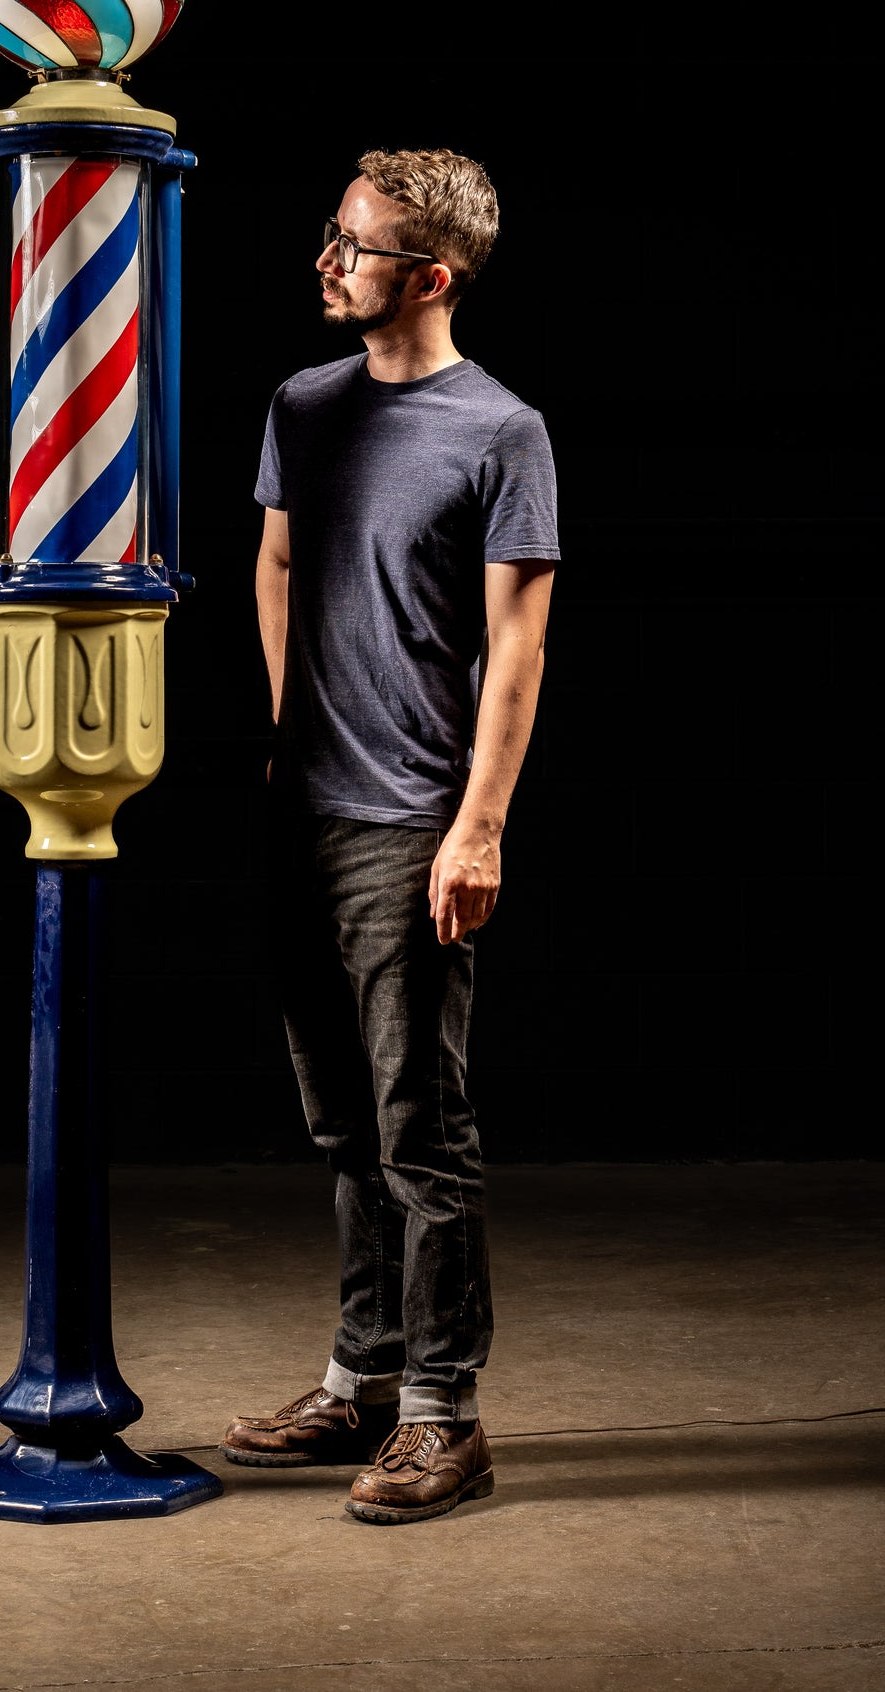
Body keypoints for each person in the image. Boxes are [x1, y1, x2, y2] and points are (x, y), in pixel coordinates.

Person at [220, 147, 559, 1524]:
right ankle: (359, 1377)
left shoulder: (500, 431)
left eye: (351, 247)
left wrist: (476, 828)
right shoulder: (303, 404)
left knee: (422, 1127)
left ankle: (444, 1418)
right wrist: (281, 726)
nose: (325, 262)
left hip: (414, 822)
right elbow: (279, 562)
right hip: (304, 811)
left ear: (429, 276)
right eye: (330, 237)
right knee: (340, 1123)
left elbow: (519, 640)